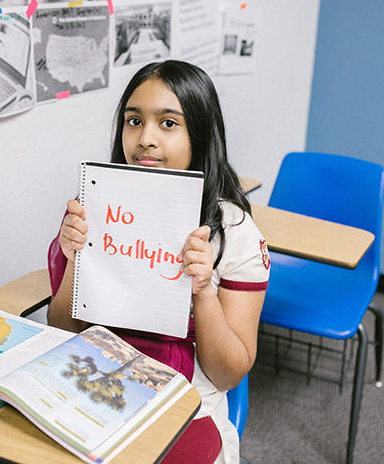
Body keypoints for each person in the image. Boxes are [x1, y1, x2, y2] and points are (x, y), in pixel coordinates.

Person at [47, 60, 270, 464]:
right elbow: (62, 326)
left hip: (186, 402)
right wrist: (75, 260)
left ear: (200, 134)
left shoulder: (235, 232)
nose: (145, 138)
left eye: (168, 123)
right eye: (134, 121)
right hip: (94, 382)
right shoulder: (96, 206)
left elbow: (228, 374)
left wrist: (202, 292)